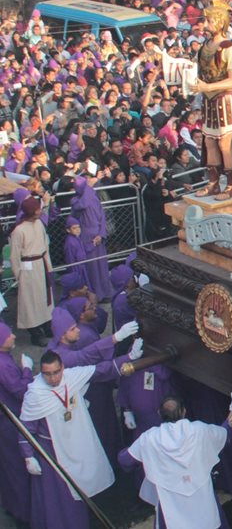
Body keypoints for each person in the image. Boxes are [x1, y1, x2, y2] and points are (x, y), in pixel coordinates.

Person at [20, 346, 141, 529]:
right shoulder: (36, 394)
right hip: (53, 451)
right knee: (61, 496)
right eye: (47, 374)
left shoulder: (73, 377)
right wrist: (28, 456)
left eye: (56, 372)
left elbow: (102, 370)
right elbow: (26, 428)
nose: (53, 378)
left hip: (77, 440)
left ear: (62, 368)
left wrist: (129, 357)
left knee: (83, 486)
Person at [118, 394, 232, 529]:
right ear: (184, 411)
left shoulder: (149, 438)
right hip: (202, 498)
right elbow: (225, 434)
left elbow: (126, 460)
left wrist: (137, 451)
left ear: (159, 413)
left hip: (170, 503)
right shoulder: (199, 430)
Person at [191, 0, 232, 199]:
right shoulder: (204, 46)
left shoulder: (231, 48)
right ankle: (213, 183)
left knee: (225, 143)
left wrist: (207, 87)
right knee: (209, 142)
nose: (205, 25)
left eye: (208, 20)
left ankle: (230, 185)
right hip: (209, 101)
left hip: (225, 101)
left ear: (219, 21)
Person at [0, 321, 34, 525]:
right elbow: (20, 391)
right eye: (9, 335)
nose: (13, 336)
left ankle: (12, 503)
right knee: (17, 466)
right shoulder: (3, 365)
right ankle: (24, 510)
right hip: (10, 420)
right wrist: (27, 371)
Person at [10, 196, 53, 345]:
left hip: (41, 264)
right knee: (31, 300)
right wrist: (19, 276)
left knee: (44, 296)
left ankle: (47, 324)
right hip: (28, 269)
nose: (40, 211)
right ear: (32, 211)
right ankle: (35, 333)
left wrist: (49, 266)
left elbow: (45, 246)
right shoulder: (19, 230)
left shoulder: (39, 224)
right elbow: (14, 256)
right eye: (38, 209)